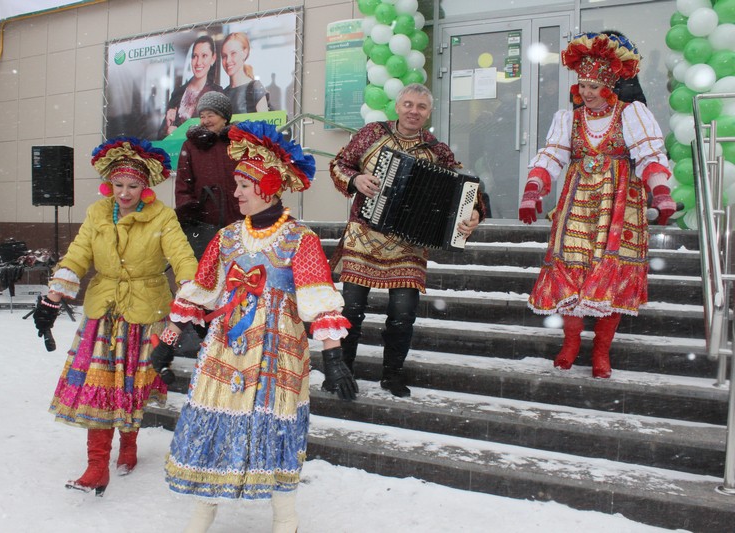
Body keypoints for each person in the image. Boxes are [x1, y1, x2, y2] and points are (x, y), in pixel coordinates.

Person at [151, 120, 357, 532]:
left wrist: (333, 357)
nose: (237, 192)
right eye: (238, 184)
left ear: (268, 186)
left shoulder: (300, 239)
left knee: (276, 426)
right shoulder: (226, 238)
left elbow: (318, 301)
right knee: (213, 422)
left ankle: (286, 518)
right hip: (228, 345)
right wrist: (168, 341)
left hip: (278, 347)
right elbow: (199, 292)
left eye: (245, 185)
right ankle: (201, 516)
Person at [33, 137, 198, 496]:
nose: (125, 193)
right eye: (119, 185)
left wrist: (191, 287)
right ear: (110, 184)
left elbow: (182, 256)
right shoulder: (97, 213)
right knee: (100, 388)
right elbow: (77, 255)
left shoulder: (162, 217)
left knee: (130, 387)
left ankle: (129, 446)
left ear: (146, 186)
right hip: (103, 310)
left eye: (133, 186)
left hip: (145, 310)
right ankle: (96, 466)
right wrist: (53, 296)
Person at [518, 32, 676, 379]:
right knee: (571, 268)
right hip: (578, 200)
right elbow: (552, 156)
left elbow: (650, 155)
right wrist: (534, 189)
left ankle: (602, 350)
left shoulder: (632, 114)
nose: (587, 93)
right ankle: (571, 343)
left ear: (610, 86)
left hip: (619, 201)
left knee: (610, 272)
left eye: (594, 86)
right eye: (583, 86)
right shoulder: (568, 119)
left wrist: (661, 192)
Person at [329, 83, 486, 398]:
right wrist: (355, 179)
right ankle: (341, 374)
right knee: (351, 312)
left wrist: (476, 213)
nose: (414, 111)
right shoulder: (372, 134)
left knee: (403, 314)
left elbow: (466, 191)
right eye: (408, 104)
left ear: (429, 112)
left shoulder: (437, 150)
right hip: (364, 235)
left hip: (409, 245)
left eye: (421, 107)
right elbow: (338, 165)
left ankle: (392, 376)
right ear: (397, 106)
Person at [175, 91, 241, 258]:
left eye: (210, 115)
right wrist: (190, 215)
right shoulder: (191, 146)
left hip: (239, 217)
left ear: (225, 117)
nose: (205, 121)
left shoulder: (240, 142)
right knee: (208, 271)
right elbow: (183, 185)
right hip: (205, 221)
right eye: (202, 116)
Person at [159, 36, 224, 139]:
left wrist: (180, 133)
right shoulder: (178, 93)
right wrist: (167, 130)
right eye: (195, 56)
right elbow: (160, 136)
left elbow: (219, 132)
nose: (198, 62)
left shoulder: (217, 93)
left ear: (213, 58)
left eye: (204, 56)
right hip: (178, 153)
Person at [221, 32, 270, 114]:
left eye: (233, 53)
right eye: (224, 56)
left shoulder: (255, 88)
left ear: (245, 53)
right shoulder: (223, 93)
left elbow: (264, 124)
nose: (228, 60)